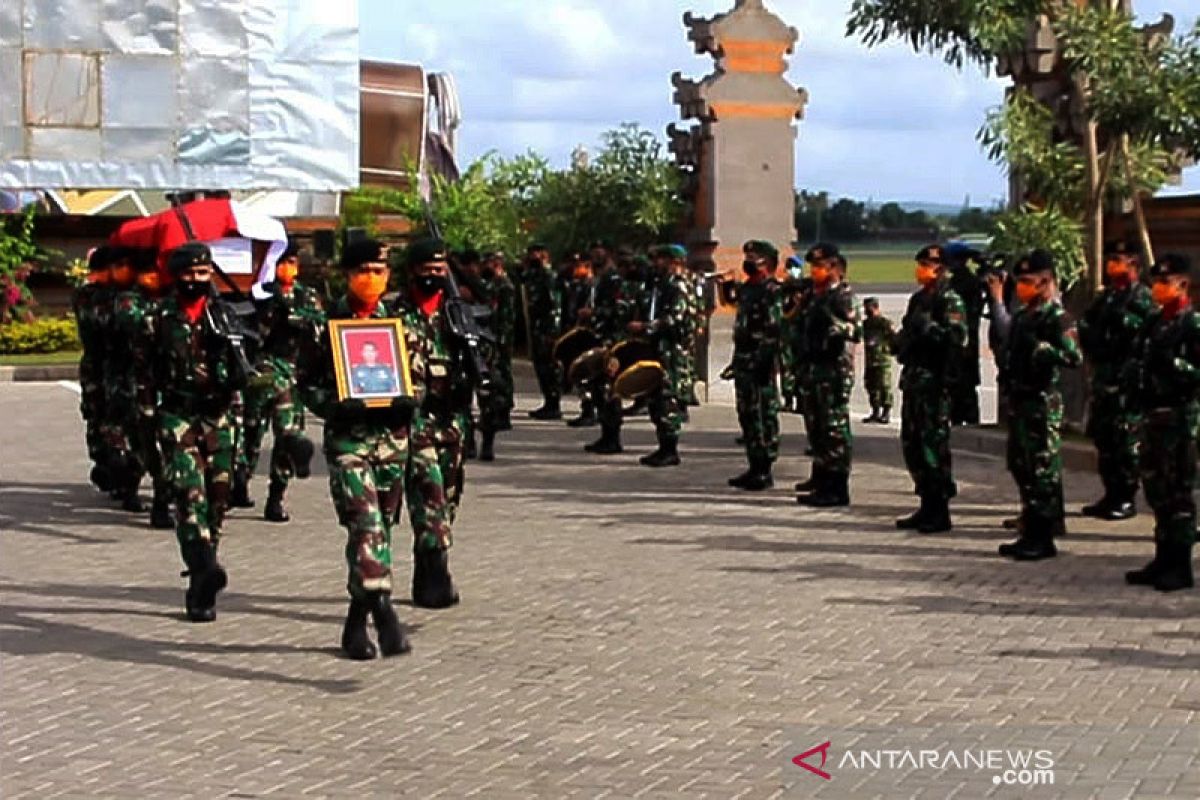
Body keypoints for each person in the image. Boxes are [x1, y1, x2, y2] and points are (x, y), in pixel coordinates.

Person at [298, 238, 412, 659]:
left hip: (393, 441)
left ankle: (352, 624)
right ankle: (383, 611)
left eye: (379, 271)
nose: (371, 279)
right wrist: (334, 404)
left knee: (378, 531)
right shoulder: (324, 324)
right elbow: (304, 382)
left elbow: (416, 373)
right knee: (366, 525)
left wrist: (409, 398)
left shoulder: (398, 322)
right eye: (362, 271)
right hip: (349, 440)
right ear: (346, 275)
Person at [142, 243, 244, 622]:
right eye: (188, 275)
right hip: (178, 415)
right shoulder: (158, 318)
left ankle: (204, 573)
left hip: (218, 418)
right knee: (188, 494)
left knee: (218, 501)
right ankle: (201, 569)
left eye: (203, 274)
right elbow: (144, 370)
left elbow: (246, 366)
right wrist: (147, 417)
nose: (196, 281)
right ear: (175, 276)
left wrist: (234, 361)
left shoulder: (225, 315)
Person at [394, 238, 473, 609]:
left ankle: (425, 571)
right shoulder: (394, 313)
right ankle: (437, 574)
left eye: (440, 269)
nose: (433, 276)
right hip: (416, 422)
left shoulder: (458, 313)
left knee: (449, 499)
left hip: (452, 419)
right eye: (426, 269)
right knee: (430, 496)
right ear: (411, 271)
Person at [997, 250, 1082, 561]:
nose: (1022, 287)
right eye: (1019, 282)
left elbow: (1074, 357)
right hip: (1021, 401)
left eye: (1029, 281)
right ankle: (1030, 528)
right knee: (1022, 465)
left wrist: (1045, 351)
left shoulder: (1057, 318)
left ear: (1046, 282)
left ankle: (1043, 537)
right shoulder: (1023, 317)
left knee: (1042, 471)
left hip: (1043, 403)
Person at [1126, 254, 1197, 592]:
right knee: (1156, 490)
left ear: (1183, 284)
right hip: (1153, 417)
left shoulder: (1192, 325)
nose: (1157, 288)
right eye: (1155, 282)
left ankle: (1180, 564)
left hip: (1181, 419)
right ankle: (1163, 556)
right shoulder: (1155, 323)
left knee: (1178, 492)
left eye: (1164, 283)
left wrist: (1177, 366)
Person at [238, 240, 322, 523]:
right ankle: (240, 480)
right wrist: (272, 309)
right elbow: (252, 332)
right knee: (250, 435)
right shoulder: (259, 294)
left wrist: (294, 314)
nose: (288, 268)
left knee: (287, 437)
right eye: (282, 262)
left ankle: (276, 497)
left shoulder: (306, 296)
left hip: (291, 376)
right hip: (262, 375)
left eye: (292, 263)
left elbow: (318, 324)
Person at [1077, 241, 1154, 521]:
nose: (1112, 266)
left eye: (1118, 260)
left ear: (1134, 264)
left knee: (1125, 444)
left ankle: (1126, 497)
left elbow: (1147, 337)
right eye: (1110, 260)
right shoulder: (1107, 296)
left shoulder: (1143, 298)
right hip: (1104, 380)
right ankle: (1110, 494)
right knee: (1105, 442)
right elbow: (1086, 325)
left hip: (1127, 384)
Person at [893, 246, 968, 533]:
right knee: (912, 444)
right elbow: (908, 332)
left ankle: (939, 508)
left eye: (929, 264)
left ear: (943, 268)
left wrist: (930, 329)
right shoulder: (919, 299)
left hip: (936, 384)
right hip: (914, 380)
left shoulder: (950, 300)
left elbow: (957, 340)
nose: (923, 268)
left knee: (932, 446)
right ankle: (925, 503)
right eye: (921, 263)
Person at [796, 246, 860, 507]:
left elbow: (855, 330)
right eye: (813, 266)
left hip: (834, 370)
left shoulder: (843, 296)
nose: (815, 271)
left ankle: (837, 487)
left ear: (835, 268)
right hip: (814, 369)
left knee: (833, 429)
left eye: (820, 266)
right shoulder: (815, 294)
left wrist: (834, 324)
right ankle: (821, 478)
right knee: (817, 427)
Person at [113, 250, 173, 528]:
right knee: (144, 446)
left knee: (169, 446)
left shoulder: (168, 299)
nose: (154, 278)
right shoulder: (128, 301)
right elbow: (136, 323)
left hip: (167, 385)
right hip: (139, 386)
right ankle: (130, 486)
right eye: (149, 272)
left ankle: (162, 500)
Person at [728, 241, 783, 491]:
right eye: (747, 255)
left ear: (768, 262)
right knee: (747, 414)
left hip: (761, 362)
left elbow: (775, 330)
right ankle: (754, 465)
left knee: (763, 415)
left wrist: (765, 361)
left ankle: (764, 468)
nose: (748, 260)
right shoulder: (749, 289)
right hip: (743, 360)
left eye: (754, 257)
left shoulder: (772, 291)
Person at [630, 244, 690, 467]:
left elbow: (675, 318)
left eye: (662, 260)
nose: (656, 264)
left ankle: (670, 449)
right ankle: (662, 446)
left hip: (670, 351)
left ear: (674, 262)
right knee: (656, 401)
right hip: (655, 350)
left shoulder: (679, 286)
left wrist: (646, 327)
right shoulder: (659, 286)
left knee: (667, 401)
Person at [584, 247, 643, 456]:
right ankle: (606, 434)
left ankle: (613, 437)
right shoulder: (601, 279)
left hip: (614, 341)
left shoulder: (616, 280)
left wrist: (595, 312)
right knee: (599, 388)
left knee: (609, 389)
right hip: (601, 338)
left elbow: (621, 311)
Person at [74, 247, 117, 492]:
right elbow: (98, 325)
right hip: (97, 365)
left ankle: (116, 468)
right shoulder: (88, 295)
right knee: (97, 414)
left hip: (116, 367)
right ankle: (103, 462)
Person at [945, 242, 986, 425]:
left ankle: (965, 418)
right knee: (960, 385)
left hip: (964, 339)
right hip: (964, 339)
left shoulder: (964, 283)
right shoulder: (966, 281)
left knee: (963, 385)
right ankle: (962, 417)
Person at [524, 243, 563, 419]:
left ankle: (554, 404)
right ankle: (548, 402)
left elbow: (555, 306)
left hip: (547, 329)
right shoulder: (533, 276)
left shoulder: (549, 276)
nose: (533, 256)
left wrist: (552, 333)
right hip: (537, 327)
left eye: (537, 253)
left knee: (549, 367)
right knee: (540, 366)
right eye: (531, 253)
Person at [860, 297, 896, 424]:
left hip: (882, 360)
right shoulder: (866, 324)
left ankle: (886, 412)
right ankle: (875, 411)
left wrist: (891, 351)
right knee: (871, 385)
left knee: (884, 386)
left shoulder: (884, 323)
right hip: (870, 360)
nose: (865, 310)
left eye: (867, 307)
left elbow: (893, 339)